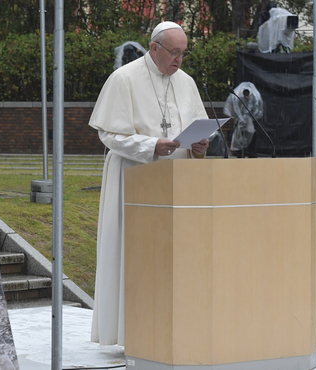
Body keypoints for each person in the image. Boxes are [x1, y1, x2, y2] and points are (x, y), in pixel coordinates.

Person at [88, 21, 210, 347]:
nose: (179, 60)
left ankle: (174, 328)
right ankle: (132, 332)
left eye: (183, 54)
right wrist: (150, 146)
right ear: (154, 47)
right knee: (134, 254)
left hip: (176, 185)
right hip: (134, 177)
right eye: (173, 52)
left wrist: (199, 147)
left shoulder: (186, 83)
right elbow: (108, 133)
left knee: (175, 257)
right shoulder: (124, 78)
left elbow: (197, 127)